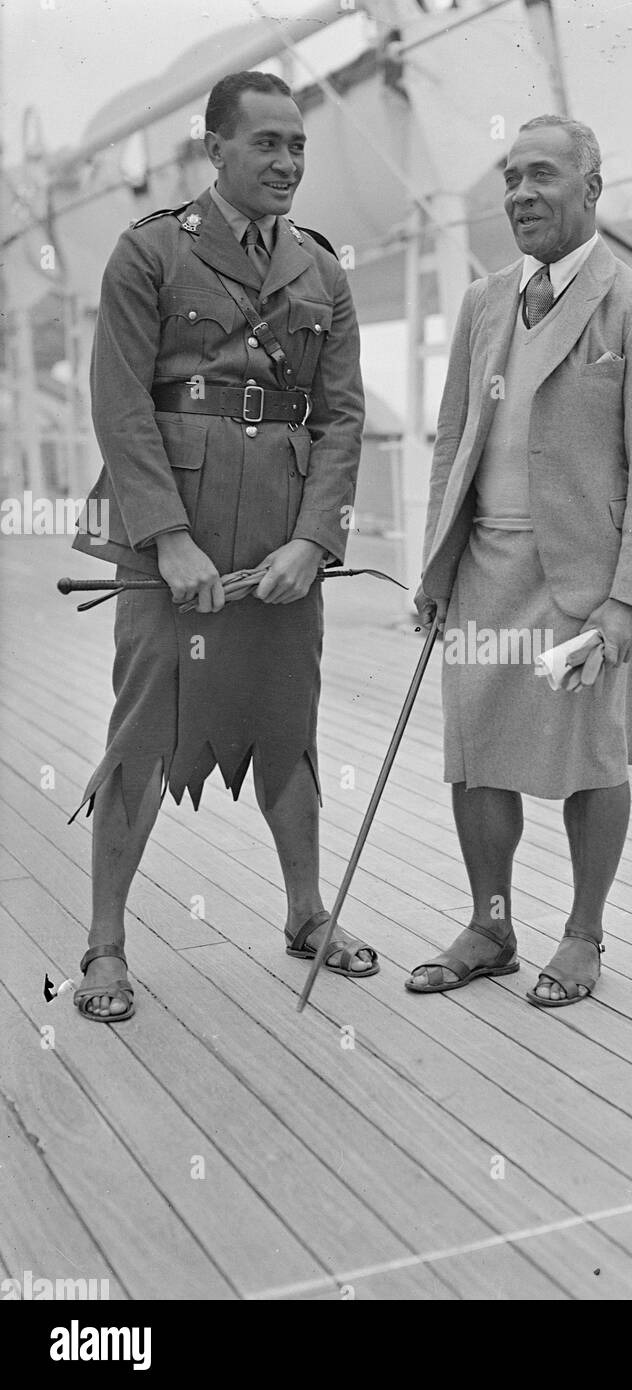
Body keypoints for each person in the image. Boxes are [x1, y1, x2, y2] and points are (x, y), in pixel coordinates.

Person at [70, 70, 371, 1023]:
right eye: (265, 144)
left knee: (290, 724)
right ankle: (105, 947)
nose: (286, 162)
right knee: (146, 734)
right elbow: (120, 405)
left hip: (281, 548)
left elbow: (343, 419)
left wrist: (315, 542)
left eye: (297, 146)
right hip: (176, 548)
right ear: (215, 148)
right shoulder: (150, 252)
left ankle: (305, 911)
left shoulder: (322, 271)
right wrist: (164, 538)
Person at [411, 115, 632, 1007]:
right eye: (510, 178)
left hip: (583, 584)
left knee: (591, 760)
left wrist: (631, 605)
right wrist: (435, 569)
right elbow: (454, 438)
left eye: (542, 176)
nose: (520, 193)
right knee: (475, 754)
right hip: (484, 568)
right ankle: (490, 926)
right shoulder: (484, 301)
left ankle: (582, 934)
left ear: (592, 189)